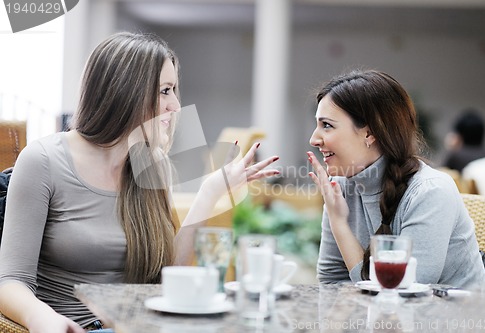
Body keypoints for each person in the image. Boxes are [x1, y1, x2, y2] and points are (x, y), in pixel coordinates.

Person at [0, 32, 279, 333]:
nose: (175, 105)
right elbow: (10, 282)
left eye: (174, 91)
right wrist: (42, 318)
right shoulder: (43, 160)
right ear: (125, 91)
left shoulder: (152, 165)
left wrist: (208, 193)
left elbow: (164, 277)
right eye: (164, 91)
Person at [306, 69, 485, 288]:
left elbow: (399, 292)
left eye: (327, 125)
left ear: (370, 133)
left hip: (455, 319)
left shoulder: (430, 191)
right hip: (384, 320)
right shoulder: (341, 187)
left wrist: (339, 223)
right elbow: (331, 282)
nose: (314, 139)